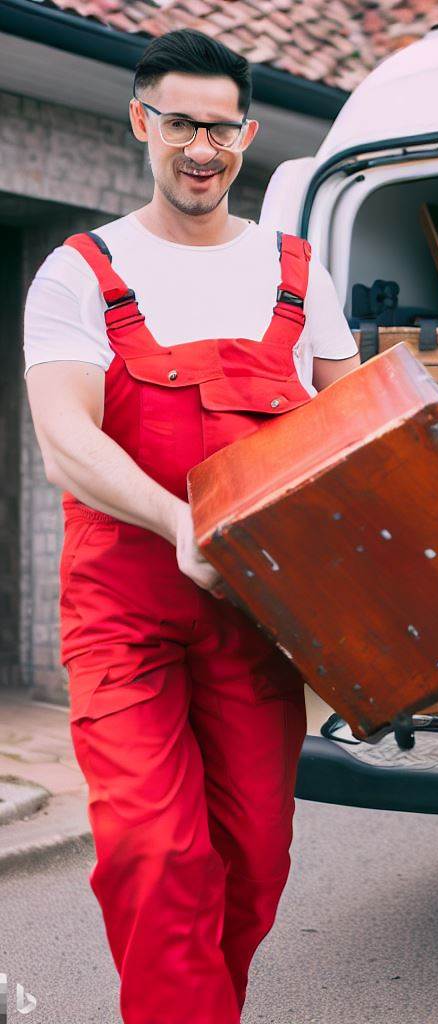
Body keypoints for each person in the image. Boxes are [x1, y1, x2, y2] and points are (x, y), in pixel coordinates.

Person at [22, 28, 360, 1024]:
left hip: (259, 620)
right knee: (154, 852)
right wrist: (180, 523)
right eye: (180, 123)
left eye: (221, 127)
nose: (201, 146)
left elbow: (362, 434)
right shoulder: (79, 271)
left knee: (252, 859)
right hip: (126, 614)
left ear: (247, 135)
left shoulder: (298, 272)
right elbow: (62, 443)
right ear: (142, 122)